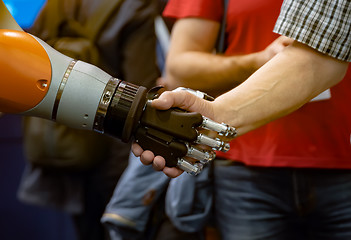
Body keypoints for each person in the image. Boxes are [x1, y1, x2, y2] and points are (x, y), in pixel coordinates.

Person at [134, 0, 351, 239]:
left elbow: (319, 60)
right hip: (247, 173)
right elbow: (316, 60)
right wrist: (216, 116)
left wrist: (217, 117)